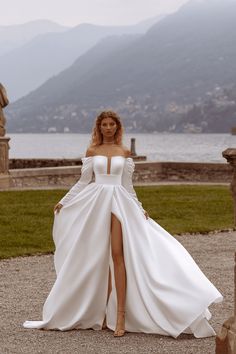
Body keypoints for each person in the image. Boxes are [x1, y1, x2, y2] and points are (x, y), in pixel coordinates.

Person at [23, 110, 223, 338]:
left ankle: (120, 315)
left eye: (112, 124)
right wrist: (64, 201)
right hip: (96, 203)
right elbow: (83, 181)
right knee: (98, 257)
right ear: (99, 128)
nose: (108, 128)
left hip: (119, 203)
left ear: (117, 127)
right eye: (104, 125)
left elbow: (128, 186)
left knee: (118, 254)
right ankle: (100, 313)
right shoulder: (92, 151)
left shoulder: (124, 152)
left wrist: (139, 207)